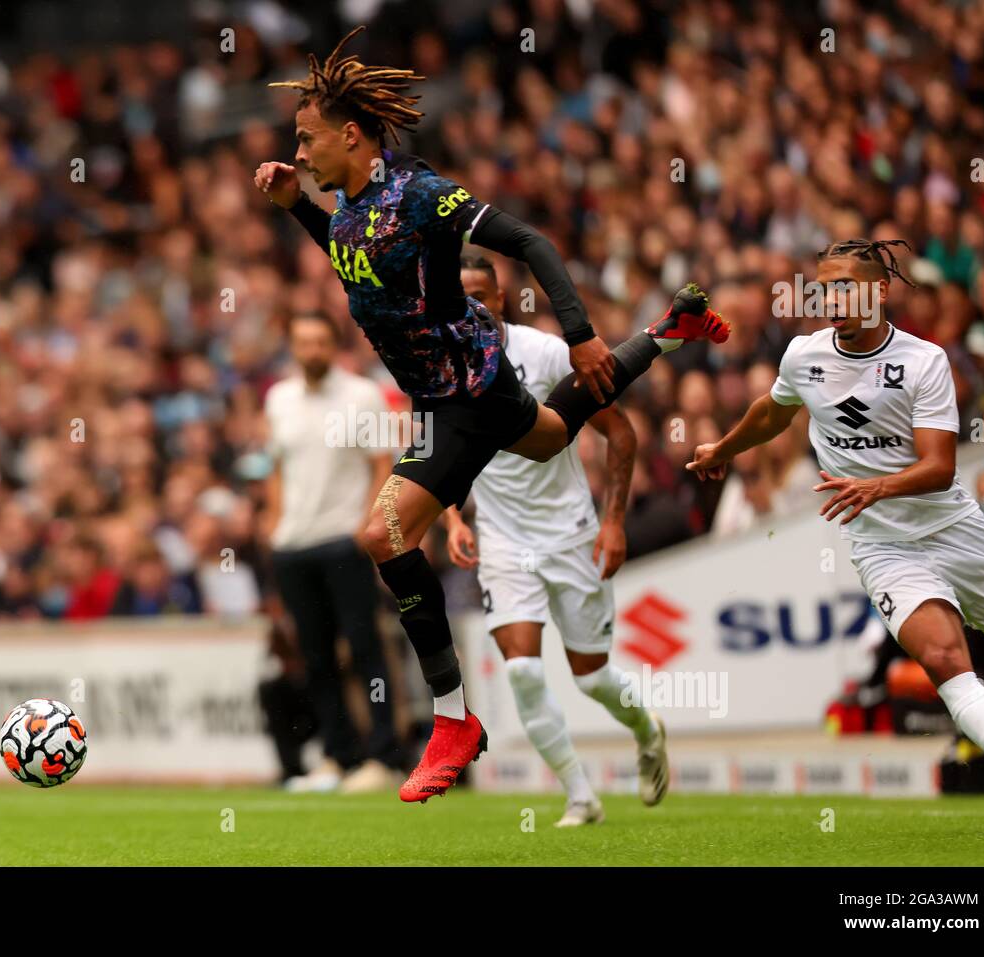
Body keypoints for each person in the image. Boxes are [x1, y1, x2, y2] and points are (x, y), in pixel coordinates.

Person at [255, 26, 728, 803]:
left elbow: (531, 242)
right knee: (547, 437)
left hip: (470, 389)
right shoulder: (344, 207)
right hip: (448, 399)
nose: (297, 152)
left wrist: (578, 334)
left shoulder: (420, 193)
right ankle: (669, 332)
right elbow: (352, 258)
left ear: (350, 134)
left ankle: (452, 721)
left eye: (305, 140)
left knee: (383, 532)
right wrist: (295, 208)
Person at [688, 239, 984, 816]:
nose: (832, 298)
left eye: (845, 285)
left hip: (954, 529)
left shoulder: (924, 361)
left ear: (879, 291)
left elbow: (940, 467)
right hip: (883, 545)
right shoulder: (804, 356)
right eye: (824, 287)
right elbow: (774, 411)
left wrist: (875, 486)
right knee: (945, 658)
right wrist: (723, 447)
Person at [441, 255, 667, 827]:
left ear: (498, 297)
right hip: (502, 538)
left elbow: (620, 433)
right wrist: (453, 518)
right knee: (521, 670)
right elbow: (438, 449)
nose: (470, 303)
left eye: (479, 293)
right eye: (457, 293)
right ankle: (579, 795)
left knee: (591, 677)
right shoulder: (439, 365)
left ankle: (646, 727)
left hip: (569, 532)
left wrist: (613, 520)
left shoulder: (542, 353)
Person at [265, 312, 404, 792]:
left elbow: (382, 466)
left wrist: (365, 529)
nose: (312, 350)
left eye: (321, 342)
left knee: (365, 651)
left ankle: (384, 758)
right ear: (293, 347)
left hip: (342, 539)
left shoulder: (361, 395)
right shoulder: (278, 398)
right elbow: (278, 468)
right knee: (315, 657)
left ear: (334, 346)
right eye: (303, 342)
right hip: (293, 544)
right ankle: (338, 756)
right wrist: (274, 525)